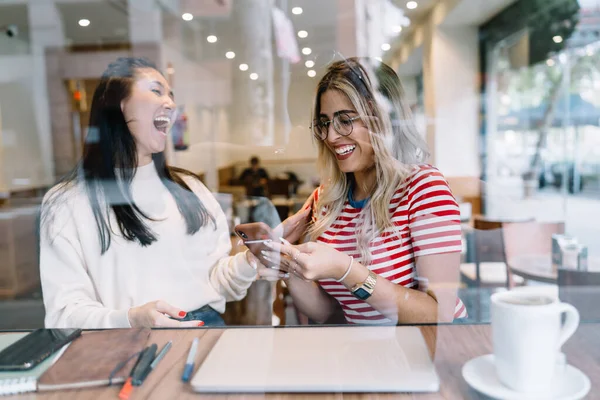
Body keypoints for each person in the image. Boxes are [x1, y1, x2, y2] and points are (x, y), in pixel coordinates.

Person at [40, 57, 263, 329]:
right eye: (156, 91)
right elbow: (63, 313)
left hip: (207, 328)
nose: (170, 103)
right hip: (121, 341)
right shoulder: (67, 202)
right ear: (119, 106)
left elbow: (217, 283)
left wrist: (251, 260)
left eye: (171, 95)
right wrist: (130, 319)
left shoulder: (190, 188)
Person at [261, 57, 467, 325]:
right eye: (325, 123)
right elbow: (331, 313)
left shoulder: (424, 188)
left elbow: (440, 314)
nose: (331, 136)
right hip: (369, 352)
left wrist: (345, 270)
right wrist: (291, 267)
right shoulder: (328, 199)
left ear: (384, 120)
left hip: (425, 351)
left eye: (345, 120)